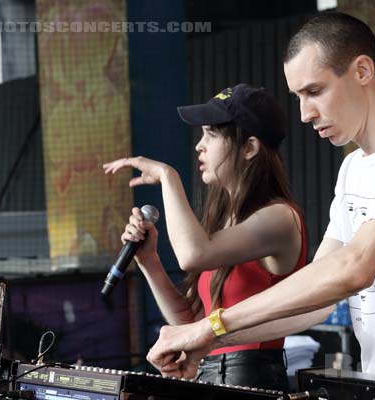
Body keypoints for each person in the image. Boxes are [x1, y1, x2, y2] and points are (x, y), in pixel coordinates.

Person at [146, 12, 375, 400]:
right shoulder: (352, 168)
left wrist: (210, 327)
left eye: (314, 91)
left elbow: (353, 269)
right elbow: (316, 300)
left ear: (362, 70)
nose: (304, 113)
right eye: (298, 97)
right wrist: (212, 341)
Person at [102, 83, 312, 392]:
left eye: (211, 135)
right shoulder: (227, 222)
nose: (200, 146)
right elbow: (191, 324)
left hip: (251, 382)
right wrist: (150, 261)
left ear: (249, 148)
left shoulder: (279, 217)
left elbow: (192, 255)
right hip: (209, 375)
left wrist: (167, 177)